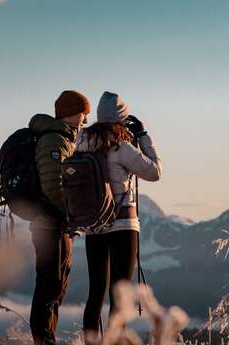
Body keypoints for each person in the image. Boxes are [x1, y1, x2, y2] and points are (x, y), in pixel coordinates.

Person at [75, 91, 162, 337]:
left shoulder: (81, 142)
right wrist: (143, 137)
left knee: (95, 293)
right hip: (123, 225)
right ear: (120, 120)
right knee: (119, 295)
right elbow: (155, 172)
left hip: (94, 225)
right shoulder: (121, 146)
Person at [28, 90, 90, 345]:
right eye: (82, 113)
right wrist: (72, 215)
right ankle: (43, 340)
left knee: (55, 286)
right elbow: (54, 186)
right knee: (49, 287)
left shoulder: (64, 138)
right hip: (50, 224)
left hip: (57, 224)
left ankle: (46, 338)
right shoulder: (55, 140)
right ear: (70, 113)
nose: (85, 119)